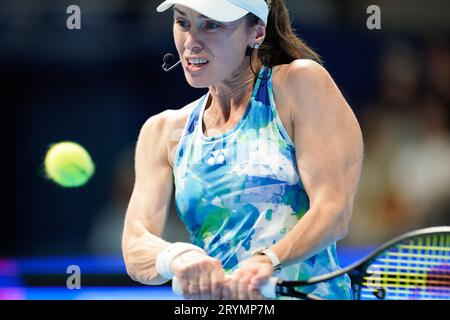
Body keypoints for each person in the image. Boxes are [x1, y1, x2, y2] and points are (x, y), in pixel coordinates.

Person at [122, 0, 364, 300]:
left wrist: (268, 260)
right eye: (182, 22)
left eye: (211, 24)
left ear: (257, 33)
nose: (191, 41)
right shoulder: (161, 131)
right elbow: (135, 245)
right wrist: (176, 257)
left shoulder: (300, 84)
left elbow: (333, 211)